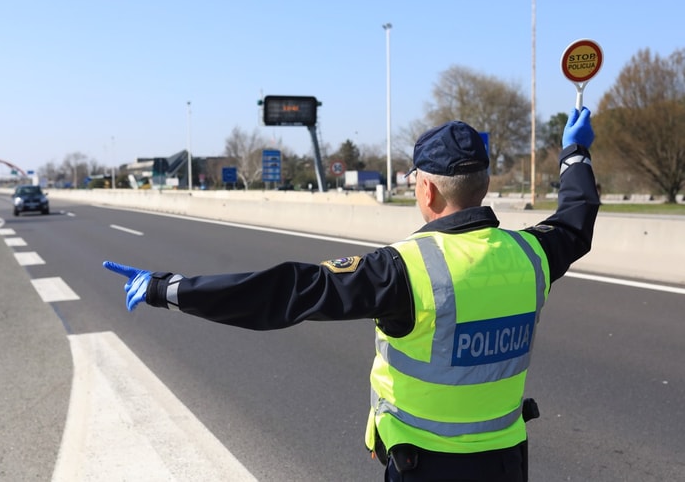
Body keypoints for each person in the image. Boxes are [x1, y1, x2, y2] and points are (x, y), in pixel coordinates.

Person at [103, 106, 599, 481]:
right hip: (507, 462)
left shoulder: (404, 268)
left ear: (426, 191)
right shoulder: (532, 255)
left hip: (423, 466)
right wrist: (575, 155)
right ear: (484, 184)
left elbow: (287, 292)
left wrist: (172, 290)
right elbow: (576, 220)